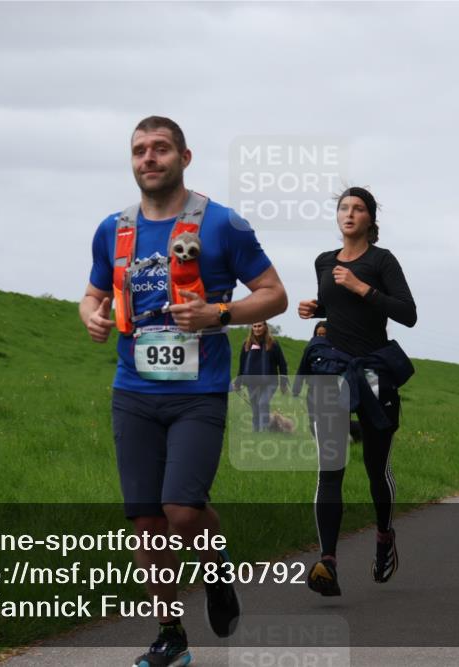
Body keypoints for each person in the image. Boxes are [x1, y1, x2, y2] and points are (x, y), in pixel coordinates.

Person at [80, 116, 287, 667]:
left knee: (182, 509)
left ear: (184, 157)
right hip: (132, 391)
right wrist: (91, 316)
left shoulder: (222, 224)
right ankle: (171, 635)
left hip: (200, 391)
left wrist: (219, 312)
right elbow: (93, 294)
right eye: (139, 150)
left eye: (160, 149)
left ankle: (215, 569)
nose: (149, 159)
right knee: (147, 523)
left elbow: (274, 294)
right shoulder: (112, 229)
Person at [297, 186, 417, 595]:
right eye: (344, 208)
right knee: (330, 468)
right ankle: (327, 562)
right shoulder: (324, 261)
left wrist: (362, 287)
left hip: (373, 370)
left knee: (375, 467)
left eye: (358, 208)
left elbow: (408, 313)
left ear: (370, 219)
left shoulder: (382, 261)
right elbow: (339, 308)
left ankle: (384, 536)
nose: (349, 214)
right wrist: (317, 309)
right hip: (332, 368)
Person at [234, 322, 289, 432]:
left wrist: (283, 383)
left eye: (259, 326)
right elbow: (242, 365)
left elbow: (282, 364)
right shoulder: (246, 344)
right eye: (254, 326)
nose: (257, 328)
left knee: (263, 403)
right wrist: (238, 383)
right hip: (251, 382)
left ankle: (265, 430)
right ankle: (256, 430)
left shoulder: (273, 344)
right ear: (252, 328)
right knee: (255, 407)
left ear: (265, 327)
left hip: (270, 382)